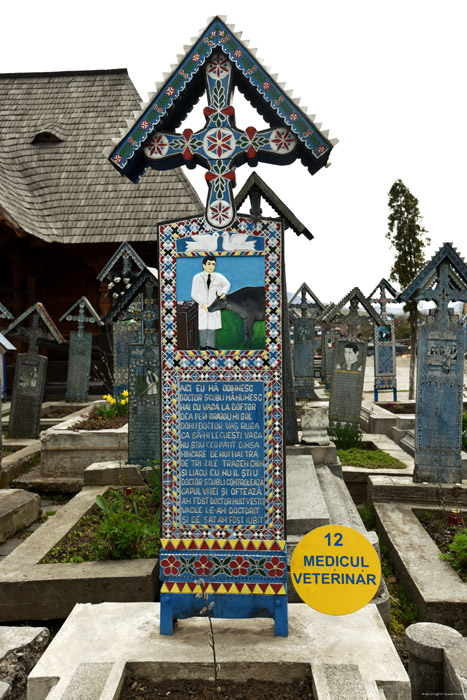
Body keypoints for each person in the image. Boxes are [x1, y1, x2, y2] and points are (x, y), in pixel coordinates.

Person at [191, 256, 230, 350]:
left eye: (213, 264)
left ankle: (212, 345)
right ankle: (203, 346)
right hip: (202, 307)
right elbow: (194, 293)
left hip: (214, 306)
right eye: (209, 264)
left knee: (212, 326)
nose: (211, 266)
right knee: (203, 327)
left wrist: (224, 293)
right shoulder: (197, 278)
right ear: (203, 265)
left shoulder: (218, 277)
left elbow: (227, 284)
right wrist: (202, 304)